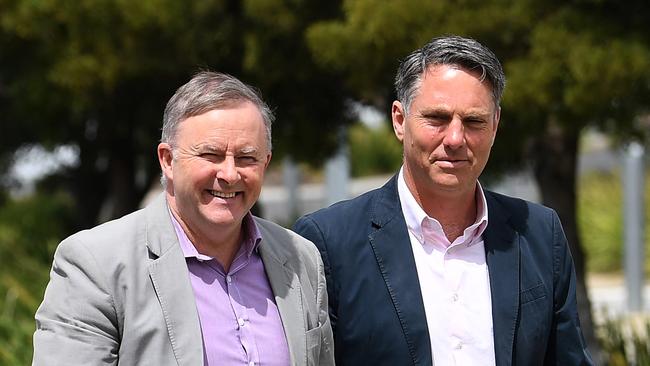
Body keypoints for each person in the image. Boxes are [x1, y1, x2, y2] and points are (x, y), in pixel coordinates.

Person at [294, 36, 593, 365]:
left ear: (495, 125)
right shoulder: (328, 243)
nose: (454, 138)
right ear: (399, 120)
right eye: (437, 118)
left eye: (474, 121)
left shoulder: (538, 233)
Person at [33, 71, 334, 366]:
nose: (229, 174)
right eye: (211, 155)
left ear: (265, 163)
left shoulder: (301, 259)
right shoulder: (97, 265)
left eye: (246, 158)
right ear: (167, 160)